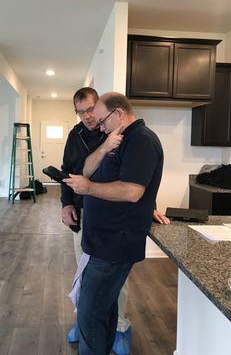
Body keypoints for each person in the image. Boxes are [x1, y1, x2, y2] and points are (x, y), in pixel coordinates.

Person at [61, 88, 169, 355]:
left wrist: (88, 189)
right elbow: (86, 169)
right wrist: (104, 146)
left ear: (119, 113)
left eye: (102, 119)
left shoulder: (141, 140)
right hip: (101, 241)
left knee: (89, 312)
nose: (98, 125)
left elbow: (133, 191)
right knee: (102, 308)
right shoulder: (115, 137)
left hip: (115, 242)